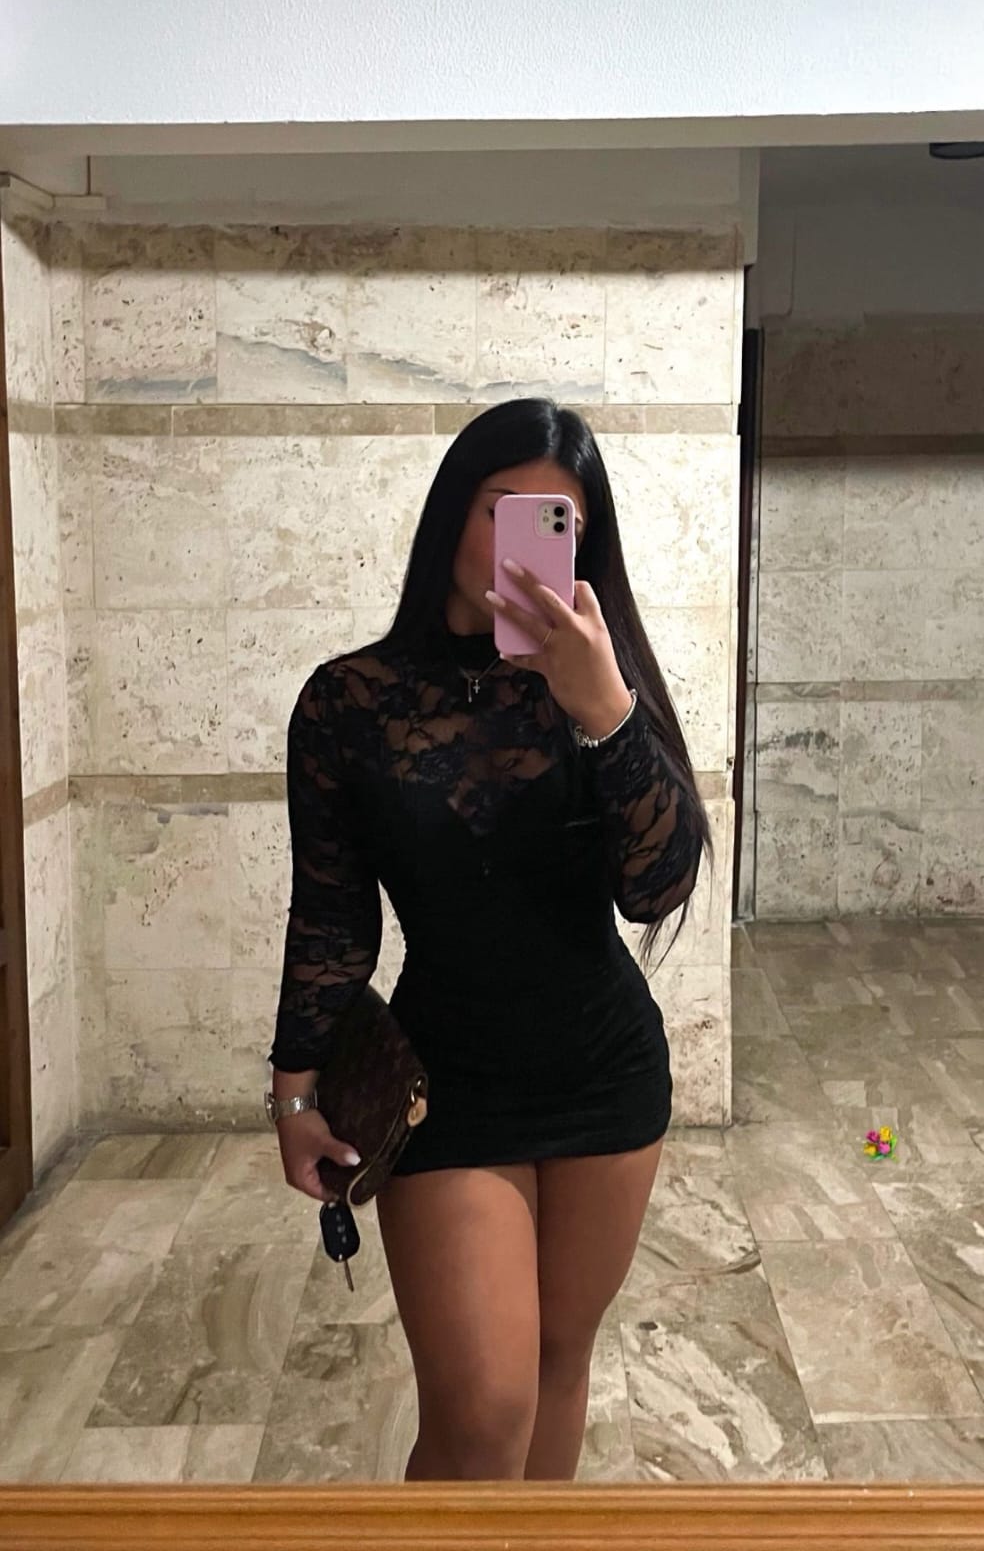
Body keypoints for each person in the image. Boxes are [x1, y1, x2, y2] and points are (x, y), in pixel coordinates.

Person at [267, 398, 711, 1482]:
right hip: (447, 1082)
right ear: (451, 516)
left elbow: (657, 887)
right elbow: (331, 913)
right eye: (501, 510)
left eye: (556, 524)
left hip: (606, 1073)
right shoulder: (347, 702)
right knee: (481, 1411)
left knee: (558, 1365)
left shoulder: (599, 681)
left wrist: (605, 711)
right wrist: (293, 1093)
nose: (522, 544)